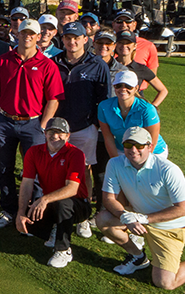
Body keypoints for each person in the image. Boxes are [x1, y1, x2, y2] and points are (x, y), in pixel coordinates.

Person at [0, 19, 65, 229]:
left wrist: (43, 125)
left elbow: (53, 99)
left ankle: (34, 213)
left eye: (32, 33)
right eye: (24, 33)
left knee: (37, 170)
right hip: (4, 121)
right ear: (17, 34)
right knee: (4, 168)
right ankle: (9, 210)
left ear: (39, 37)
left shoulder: (47, 65)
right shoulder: (4, 60)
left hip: (33, 124)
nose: (27, 36)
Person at [96, 127, 185, 289]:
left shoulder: (168, 169)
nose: (133, 150)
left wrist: (144, 218)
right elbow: (108, 198)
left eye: (139, 145)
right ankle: (138, 257)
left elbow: (184, 208)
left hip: (169, 227)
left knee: (165, 282)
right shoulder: (115, 163)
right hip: (137, 216)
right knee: (103, 219)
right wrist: (125, 216)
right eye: (128, 144)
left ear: (150, 146)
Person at [52, 21, 109, 233]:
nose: (72, 41)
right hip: (57, 129)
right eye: (68, 38)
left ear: (86, 39)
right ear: (63, 39)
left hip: (84, 127)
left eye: (77, 38)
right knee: (57, 169)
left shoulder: (98, 64)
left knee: (83, 171)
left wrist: (94, 124)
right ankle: (57, 211)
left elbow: (104, 99)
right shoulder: (54, 61)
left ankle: (83, 212)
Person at [15, 118, 90, 269]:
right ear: (45, 133)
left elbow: (72, 189)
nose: (55, 136)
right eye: (51, 132)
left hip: (78, 204)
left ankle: (63, 249)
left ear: (68, 136)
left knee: (63, 203)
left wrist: (44, 200)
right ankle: (55, 228)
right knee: (28, 225)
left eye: (60, 133)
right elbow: (27, 183)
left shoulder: (76, 154)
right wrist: (21, 212)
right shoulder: (34, 152)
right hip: (51, 202)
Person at [98, 71, 166, 160]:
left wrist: (143, 162)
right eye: (118, 86)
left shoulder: (147, 109)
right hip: (123, 149)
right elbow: (108, 138)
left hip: (153, 151)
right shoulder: (104, 107)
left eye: (128, 86)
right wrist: (115, 162)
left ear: (136, 88)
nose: (123, 89)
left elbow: (152, 140)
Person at [113, 31, 168, 105]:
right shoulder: (108, 66)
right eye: (121, 42)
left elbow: (163, 90)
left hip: (134, 110)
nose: (124, 46)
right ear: (115, 45)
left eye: (128, 43)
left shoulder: (140, 68)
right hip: (111, 109)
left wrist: (152, 108)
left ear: (135, 46)